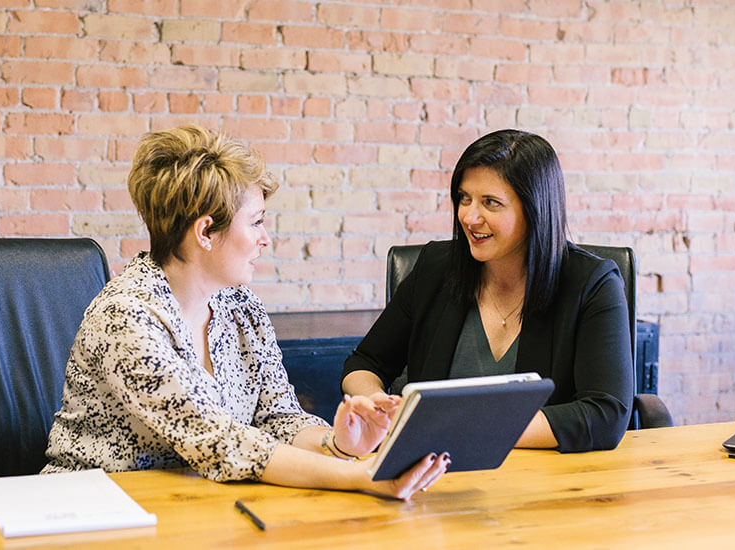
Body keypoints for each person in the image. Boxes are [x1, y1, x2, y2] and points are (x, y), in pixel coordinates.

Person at [42, 125, 449, 499]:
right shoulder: (126, 317)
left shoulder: (240, 305)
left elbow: (278, 417)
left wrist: (339, 444)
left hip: (197, 504)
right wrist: (364, 476)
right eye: (256, 222)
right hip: (92, 509)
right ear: (205, 232)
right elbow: (221, 441)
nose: (265, 239)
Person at [341, 129, 634, 453]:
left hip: (545, 480)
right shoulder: (436, 268)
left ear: (535, 209)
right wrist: (374, 403)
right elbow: (364, 362)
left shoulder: (592, 284)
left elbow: (606, 414)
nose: (469, 216)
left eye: (490, 203)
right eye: (464, 199)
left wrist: (462, 429)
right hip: (432, 476)